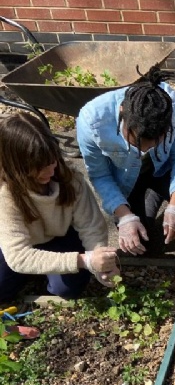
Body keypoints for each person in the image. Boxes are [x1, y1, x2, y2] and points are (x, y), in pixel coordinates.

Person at [76, 64, 175, 295]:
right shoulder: (92, 120)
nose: (144, 150)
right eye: (136, 141)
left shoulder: (172, 106)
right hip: (125, 177)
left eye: (155, 142)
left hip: (163, 168)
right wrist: (124, 216)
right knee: (142, 244)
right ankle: (151, 196)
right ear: (122, 114)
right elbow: (100, 175)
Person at [0, 112, 119, 302]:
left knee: (67, 289)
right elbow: (18, 256)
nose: (50, 170)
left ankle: (40, 273)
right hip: (20, 244)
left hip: (61, 238)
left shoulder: (70, 179)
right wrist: (84, 260)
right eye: (40, 167)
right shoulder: (6, 194)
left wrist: (100, 264)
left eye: (52, 161)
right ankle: (33, 272)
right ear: (18, 167)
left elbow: (91, 226)